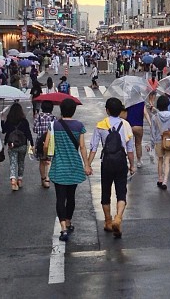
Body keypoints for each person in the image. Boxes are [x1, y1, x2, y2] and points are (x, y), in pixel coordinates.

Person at [44, 98, 91, 242]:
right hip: (74, 166)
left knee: (60, 197)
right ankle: (69, 221)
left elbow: (46, 145)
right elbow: (82, 147)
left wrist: (48, 156)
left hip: (59, 167)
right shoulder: (79, 126)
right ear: (74, 110)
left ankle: (63, 228)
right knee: (71, 197)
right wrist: (87, 164)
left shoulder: (53, 125)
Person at [87, 98, 135, 239]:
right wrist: (132, 165)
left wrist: (88, 164)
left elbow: (94, 147)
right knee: (121, 191)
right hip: (121, 161)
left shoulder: (101, 125)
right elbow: (130, 149)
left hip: (106, 162)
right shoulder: (126, 125)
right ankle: (118, 218)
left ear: (107, 110)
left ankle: (108, 221)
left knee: (105, 191)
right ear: (120, 110)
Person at [1, 102, 33, 191]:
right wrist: (32, 144)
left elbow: (3, 131)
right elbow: (28, 133)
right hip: (23, 144)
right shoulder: (24, 121)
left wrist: (2, 120)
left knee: (13, 162)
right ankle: (20, 179)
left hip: (12, 145)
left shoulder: (9, 120)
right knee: (21, 162)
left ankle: (13, 179)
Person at [149, 95, 170, 190]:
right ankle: (165, 181)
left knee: (160, 160)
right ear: (167, 105)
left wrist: (152, 143)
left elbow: (152, 131)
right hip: (169, 140)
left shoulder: (155, 117)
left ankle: (160, 178)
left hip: (158, 140)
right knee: (167, 161)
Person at [33, 101, 57, 188]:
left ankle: (43, 179)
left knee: (42, 161)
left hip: (40, 142)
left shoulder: (38, 117)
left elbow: (35, 129)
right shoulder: (54, 118)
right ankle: (47, 178)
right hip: (50, 143)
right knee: (49, 160)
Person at [125, 99, 146, 168]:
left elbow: (125, 115)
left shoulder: (128, 102)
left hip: (129, 126)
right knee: (138, 144)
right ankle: (139, 161)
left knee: (129, 145)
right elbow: (145, 113)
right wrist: (150, 123)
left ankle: (130, 162)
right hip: (139, 126)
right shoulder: (142, 103)